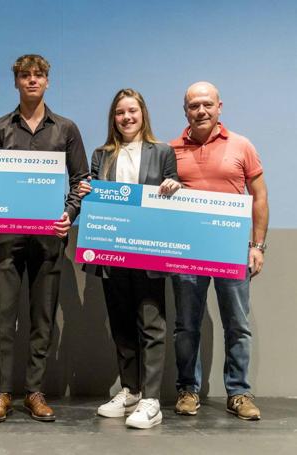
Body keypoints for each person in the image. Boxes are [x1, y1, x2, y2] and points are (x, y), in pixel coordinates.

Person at [0, 54, 89, 423]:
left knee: (42, 319)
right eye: (25, 75)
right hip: (7, 240)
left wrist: (69, 214)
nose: (31, 80)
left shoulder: (66, 129)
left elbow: (81, 180)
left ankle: (34, 392)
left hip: (48, 239)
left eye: (38, 75)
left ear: (47, 81)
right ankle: (1, 393)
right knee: (2, 319)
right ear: (16, 82)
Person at [77, 89, 181, 429]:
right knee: (121, 323)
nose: (127, 117)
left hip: (149, 250)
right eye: (120, 112)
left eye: (132, 111)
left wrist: (172, 185)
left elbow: (174, 187)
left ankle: (152, 400)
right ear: (114, 118)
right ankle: (131, 390)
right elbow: (95, 199)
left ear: (143, 114)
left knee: (151, 323)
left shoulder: (163, 151)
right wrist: (86, 192)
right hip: (112, 251)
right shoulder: (101, 154)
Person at [170, 81, 269, 420]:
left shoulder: (242, 145)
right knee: (186, 325)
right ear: (185, 110)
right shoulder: (170, 150)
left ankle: (239, 393)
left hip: (231, 249)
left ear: (219, 106)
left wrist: (257, 246)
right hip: (186, 251)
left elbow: (259, 196)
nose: (201, 110)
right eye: (194, 105)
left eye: (207, 104)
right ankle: (187, 389)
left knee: (237, 325)